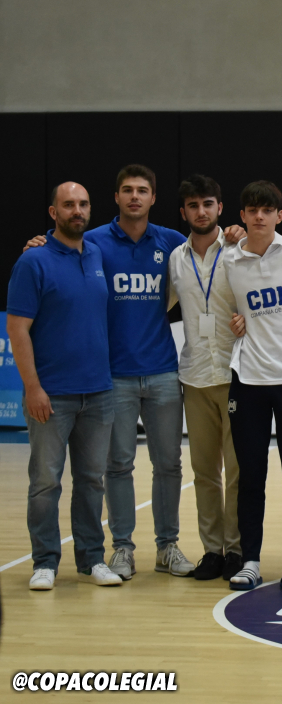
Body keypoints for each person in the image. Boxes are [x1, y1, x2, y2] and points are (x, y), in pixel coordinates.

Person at [22, 166, 194, 579]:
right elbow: (56, 250)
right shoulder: (93, 242)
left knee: (169, 464)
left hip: (163, 371)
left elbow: (212, 252)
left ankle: (167, 546)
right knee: (117, 466)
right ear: (116, 197)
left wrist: (234, 234)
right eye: (127, 190)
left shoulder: (172, 242)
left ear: (153, 198)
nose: (135, 196)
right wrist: (37, 242)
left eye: (143, 190)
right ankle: (122, 549)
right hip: (112, 376)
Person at [8, 183, 121, 589]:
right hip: (51, 394)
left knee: (91, 482)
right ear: (53, 212)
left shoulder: (96, 254)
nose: (77, 210)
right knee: (45, 483)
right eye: (69, 204)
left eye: (83, 204)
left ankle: (92, 560)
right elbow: (17, 329)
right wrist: (33, 387)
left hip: (99, 392)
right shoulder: (33, 261)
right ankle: (44, 562)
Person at [222, 181, 282, 591]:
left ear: (279, 215)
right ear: (242, 216)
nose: (259, 216)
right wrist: (234, 321)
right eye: (252, 210)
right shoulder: (229, 259)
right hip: (249, 381)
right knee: (251, 478)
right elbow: (227, 308)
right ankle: (251, 561)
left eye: (267, 210)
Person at [167, 174, 243, 581]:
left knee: (238, 471)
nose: (201, 211)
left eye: (208, 204)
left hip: (236, 374)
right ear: (184, 212)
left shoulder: (239, 248)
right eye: (193, 205)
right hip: (195, 376)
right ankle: (212, 550)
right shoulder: (174, 259)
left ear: (220, 208)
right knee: (204, 473)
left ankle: (237, 549)